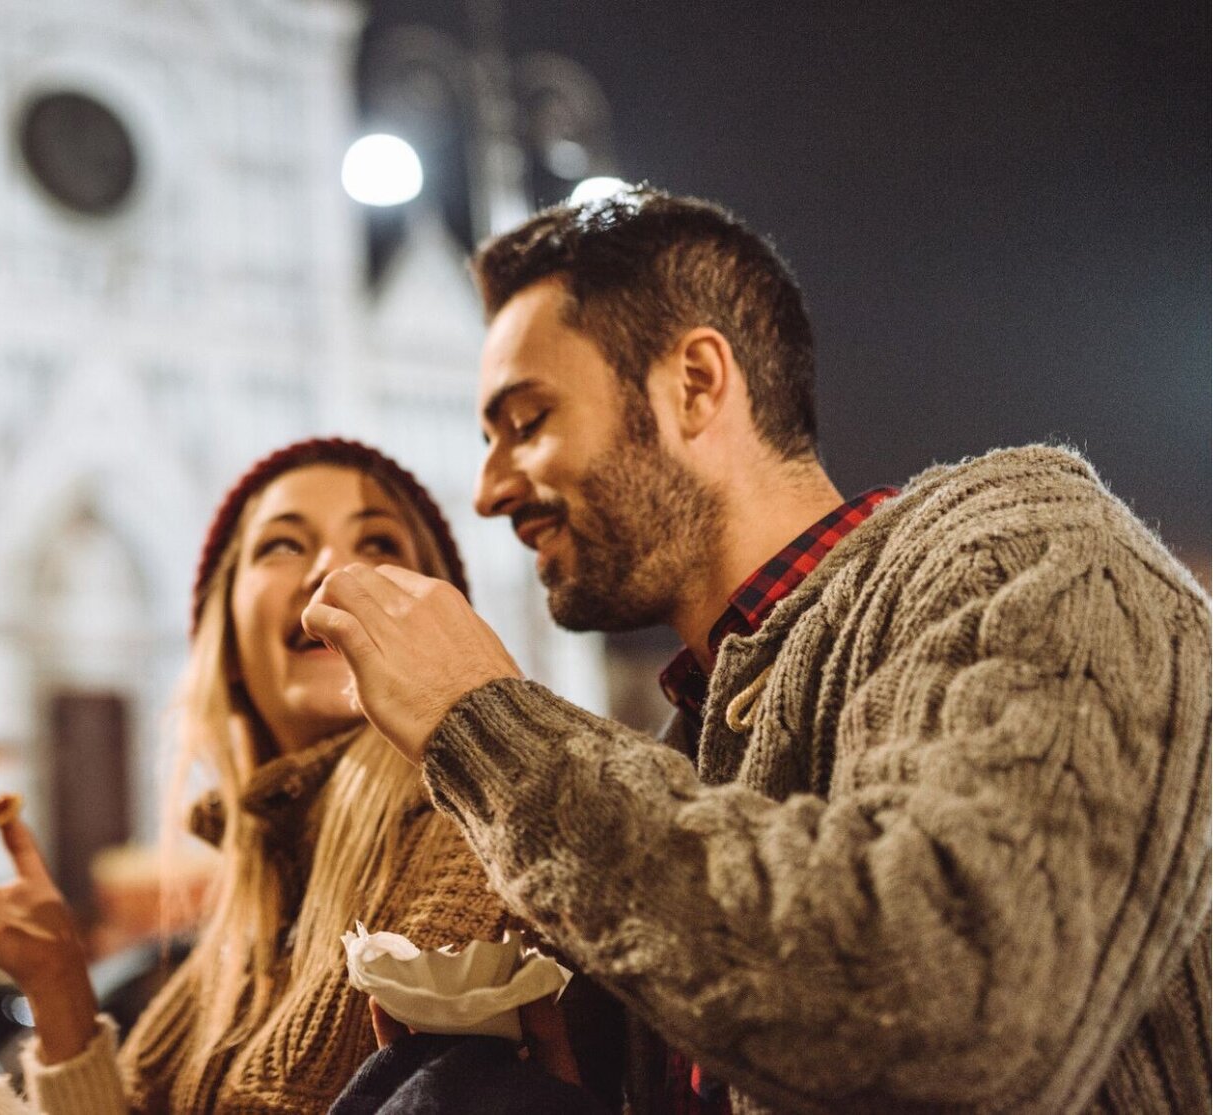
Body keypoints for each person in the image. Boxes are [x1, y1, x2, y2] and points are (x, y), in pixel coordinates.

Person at [301, 185, 1212, 1113]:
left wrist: (481, 719)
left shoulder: (1034, 546)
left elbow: (956, 1006)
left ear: (696, 382)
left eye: (526, 422)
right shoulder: (686, 746)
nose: (489, 490)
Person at [0, 438, 620, 1115]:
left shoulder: (473, 841)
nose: (333, 570)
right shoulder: (240, 922)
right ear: (222, 633)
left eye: (379, 544)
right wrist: (57, 981)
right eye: (282, 544)